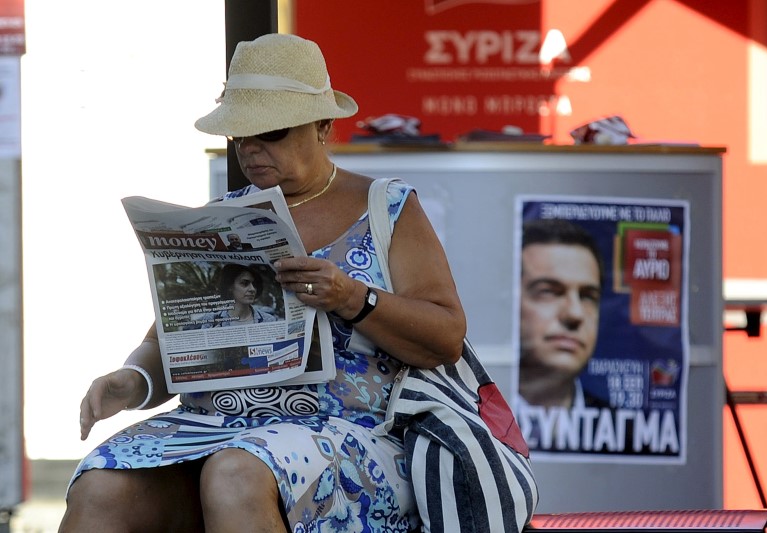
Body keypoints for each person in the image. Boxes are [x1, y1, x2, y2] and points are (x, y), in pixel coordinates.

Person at [59, 33, 466, 532]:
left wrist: (352, 298)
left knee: (236, 474)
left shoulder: (385, 207)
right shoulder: (219, 218)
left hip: (347, 430)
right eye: (239, 136)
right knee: (101, 485)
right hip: (212, 425)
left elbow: (445, 337)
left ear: (323, 125)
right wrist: (133, 381)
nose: (251, 150)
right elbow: (174, 344)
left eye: (270, 133)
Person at [517, 218, 604, 410]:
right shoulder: (468, 419)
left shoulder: (630, 436)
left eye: (588, 297)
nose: (574, 314)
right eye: (548, 291)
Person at [199, 263, 278, 327]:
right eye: (244, 283)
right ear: (230, 286)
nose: (252, 289)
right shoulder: (212, 320)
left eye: (254, 284)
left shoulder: (268, 320)